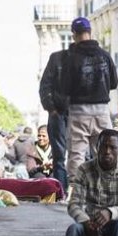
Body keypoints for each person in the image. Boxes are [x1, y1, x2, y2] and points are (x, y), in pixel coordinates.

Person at [59, 17, 118, 185]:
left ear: (74, 35)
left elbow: (64, 87)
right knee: (105, 151)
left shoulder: (70, 58)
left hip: (78, 111)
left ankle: (76, 191)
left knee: (77, 153)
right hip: (101, 110)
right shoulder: (105, 56)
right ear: (90, 32)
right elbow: (113, 83)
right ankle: (107, 189)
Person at [40, 46, 71, 192]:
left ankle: (63, 192)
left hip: (64, 113)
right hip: (63, 113)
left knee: (62, 158)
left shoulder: (57, 59)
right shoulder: (57, 59)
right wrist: (52, 110)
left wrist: (51, 109)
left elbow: (45, 86)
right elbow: (45, 86)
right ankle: (63, 192)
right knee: (62, 157)